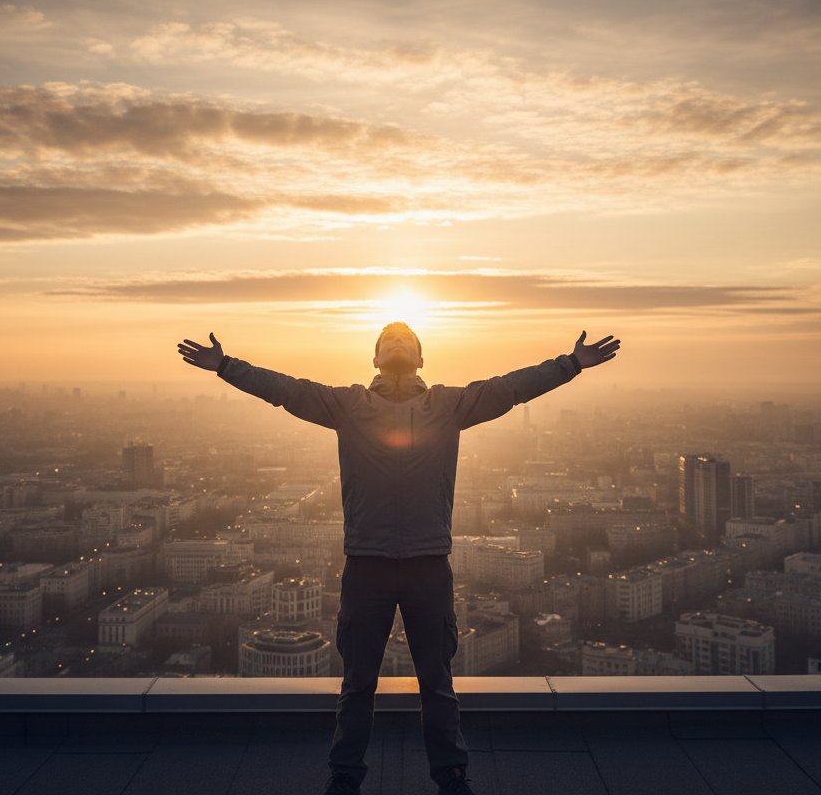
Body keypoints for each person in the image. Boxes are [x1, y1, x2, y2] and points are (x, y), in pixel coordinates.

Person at [177, 322, 620, 795]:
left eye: (405, 339)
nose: (396, 342)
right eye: (388, 339)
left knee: (437, 682)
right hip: (368, 563)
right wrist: (225, 366)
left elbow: (510, 389)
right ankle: (347, 776)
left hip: (425, 563)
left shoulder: (446, 405)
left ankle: (449, 775)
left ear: (421, 358)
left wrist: (571, 364)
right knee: (358, 682)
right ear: (374, 358)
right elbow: (286, 390)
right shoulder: (349, 405)